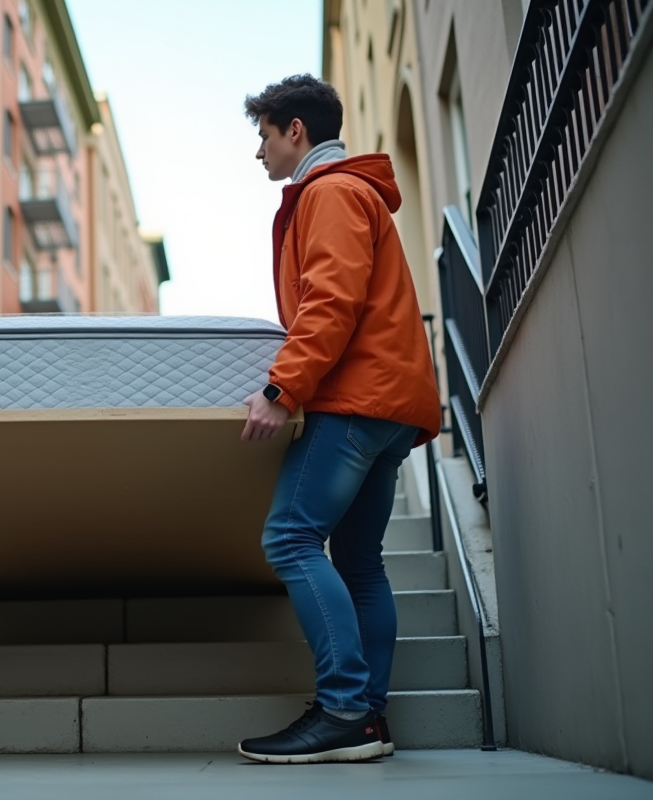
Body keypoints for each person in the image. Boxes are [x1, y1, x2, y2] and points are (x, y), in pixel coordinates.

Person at [236, 75, 441, 763]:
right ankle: (368, 720)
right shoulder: (356, 194)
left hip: (353, 402)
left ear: (296, 130)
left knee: (290, 537)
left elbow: (331, 302)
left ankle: (346, 707)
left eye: (262, 136)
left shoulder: (328, 193)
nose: (258, 152)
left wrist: (280, 390)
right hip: (390, 408)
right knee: (359, 561)